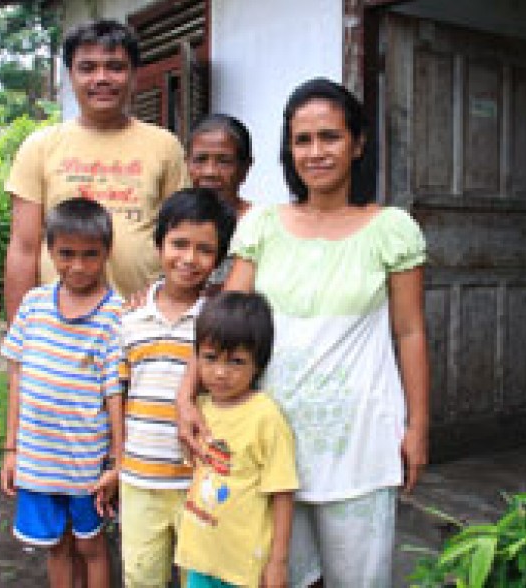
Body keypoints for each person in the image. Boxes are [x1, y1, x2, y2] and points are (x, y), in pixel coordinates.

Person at [177, 77, 430, 587]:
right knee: (272, 575)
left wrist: (418, 427)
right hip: (265, 441)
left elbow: (410, 333)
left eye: (330, 137)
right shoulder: (263, 225)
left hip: (358, 440)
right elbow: (225, 322)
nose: (316, 153)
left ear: (358, 143)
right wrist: (187, 395)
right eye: (302, 140)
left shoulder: (391, 229)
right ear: (288, 149)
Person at [5, 18, 188, 322]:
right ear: (71, 76)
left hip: (144, 322)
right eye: (87, 68)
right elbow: (24, 249)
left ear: (133, 75)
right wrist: (20, 336)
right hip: (62, 327)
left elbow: (181, 237)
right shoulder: (39, 147)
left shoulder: (165, 146)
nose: (102, 78)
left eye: (115, 67)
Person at [0, 198, 125, 588]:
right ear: (49, 251)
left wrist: (116, 461)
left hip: (86, 464)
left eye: (90, 255)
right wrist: (11, 449)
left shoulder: (114, 315)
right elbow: (17, 377)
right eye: (66, 254)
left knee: (91, 547)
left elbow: (114, 394)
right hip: (38, 458)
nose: (77, 265)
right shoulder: (34, 304)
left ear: (107, 252)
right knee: (56, 547)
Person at [118, 188, 235, 588]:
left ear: (219, 259)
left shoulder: (219, 323)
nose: (189, 258)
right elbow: (116, 396)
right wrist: (115, 461)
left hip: (199, 482)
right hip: (139, 480)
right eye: (179, 244)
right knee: (140, 576)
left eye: (204, 249)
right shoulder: (128, 318)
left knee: (200, 579)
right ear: (158, 245)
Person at [175, 291, 298, 588]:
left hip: (244, 568)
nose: (220, 372)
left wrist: (278, 562)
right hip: (201, 557)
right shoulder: (200, 409)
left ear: (259, 364)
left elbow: (282, 492)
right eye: (210, 357)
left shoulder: (266, 417)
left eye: (236, 362)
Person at [187, 114, 254, 218]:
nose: (210, 172)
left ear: (245, 168)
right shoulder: (174, 224)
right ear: (186, 163)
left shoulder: (260, 225)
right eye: (200, 159)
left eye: (224, 161)